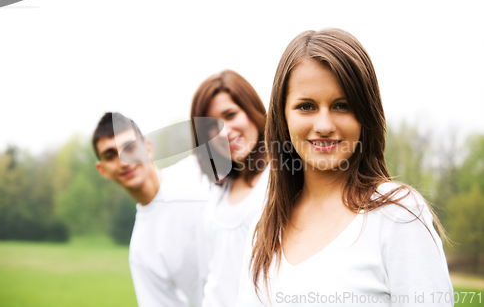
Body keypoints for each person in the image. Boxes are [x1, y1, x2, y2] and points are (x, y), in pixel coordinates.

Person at [237, 29, 453, 306]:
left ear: (367, 115)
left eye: (342, 105)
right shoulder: (263, 231)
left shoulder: (398, 216)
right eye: (306, 106)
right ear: (282, 117)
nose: (325, 126)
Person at [93, 112, 211, 307]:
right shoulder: (141, 252)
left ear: (147, 148)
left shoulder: (200, 170)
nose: (124, 161)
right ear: (103, 170)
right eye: (110, 155)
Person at [190, 70, 270, 307]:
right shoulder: (217, 193)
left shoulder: (282, 180)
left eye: (230, 115)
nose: (224, 133)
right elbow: (211, 275)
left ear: (253, 111)